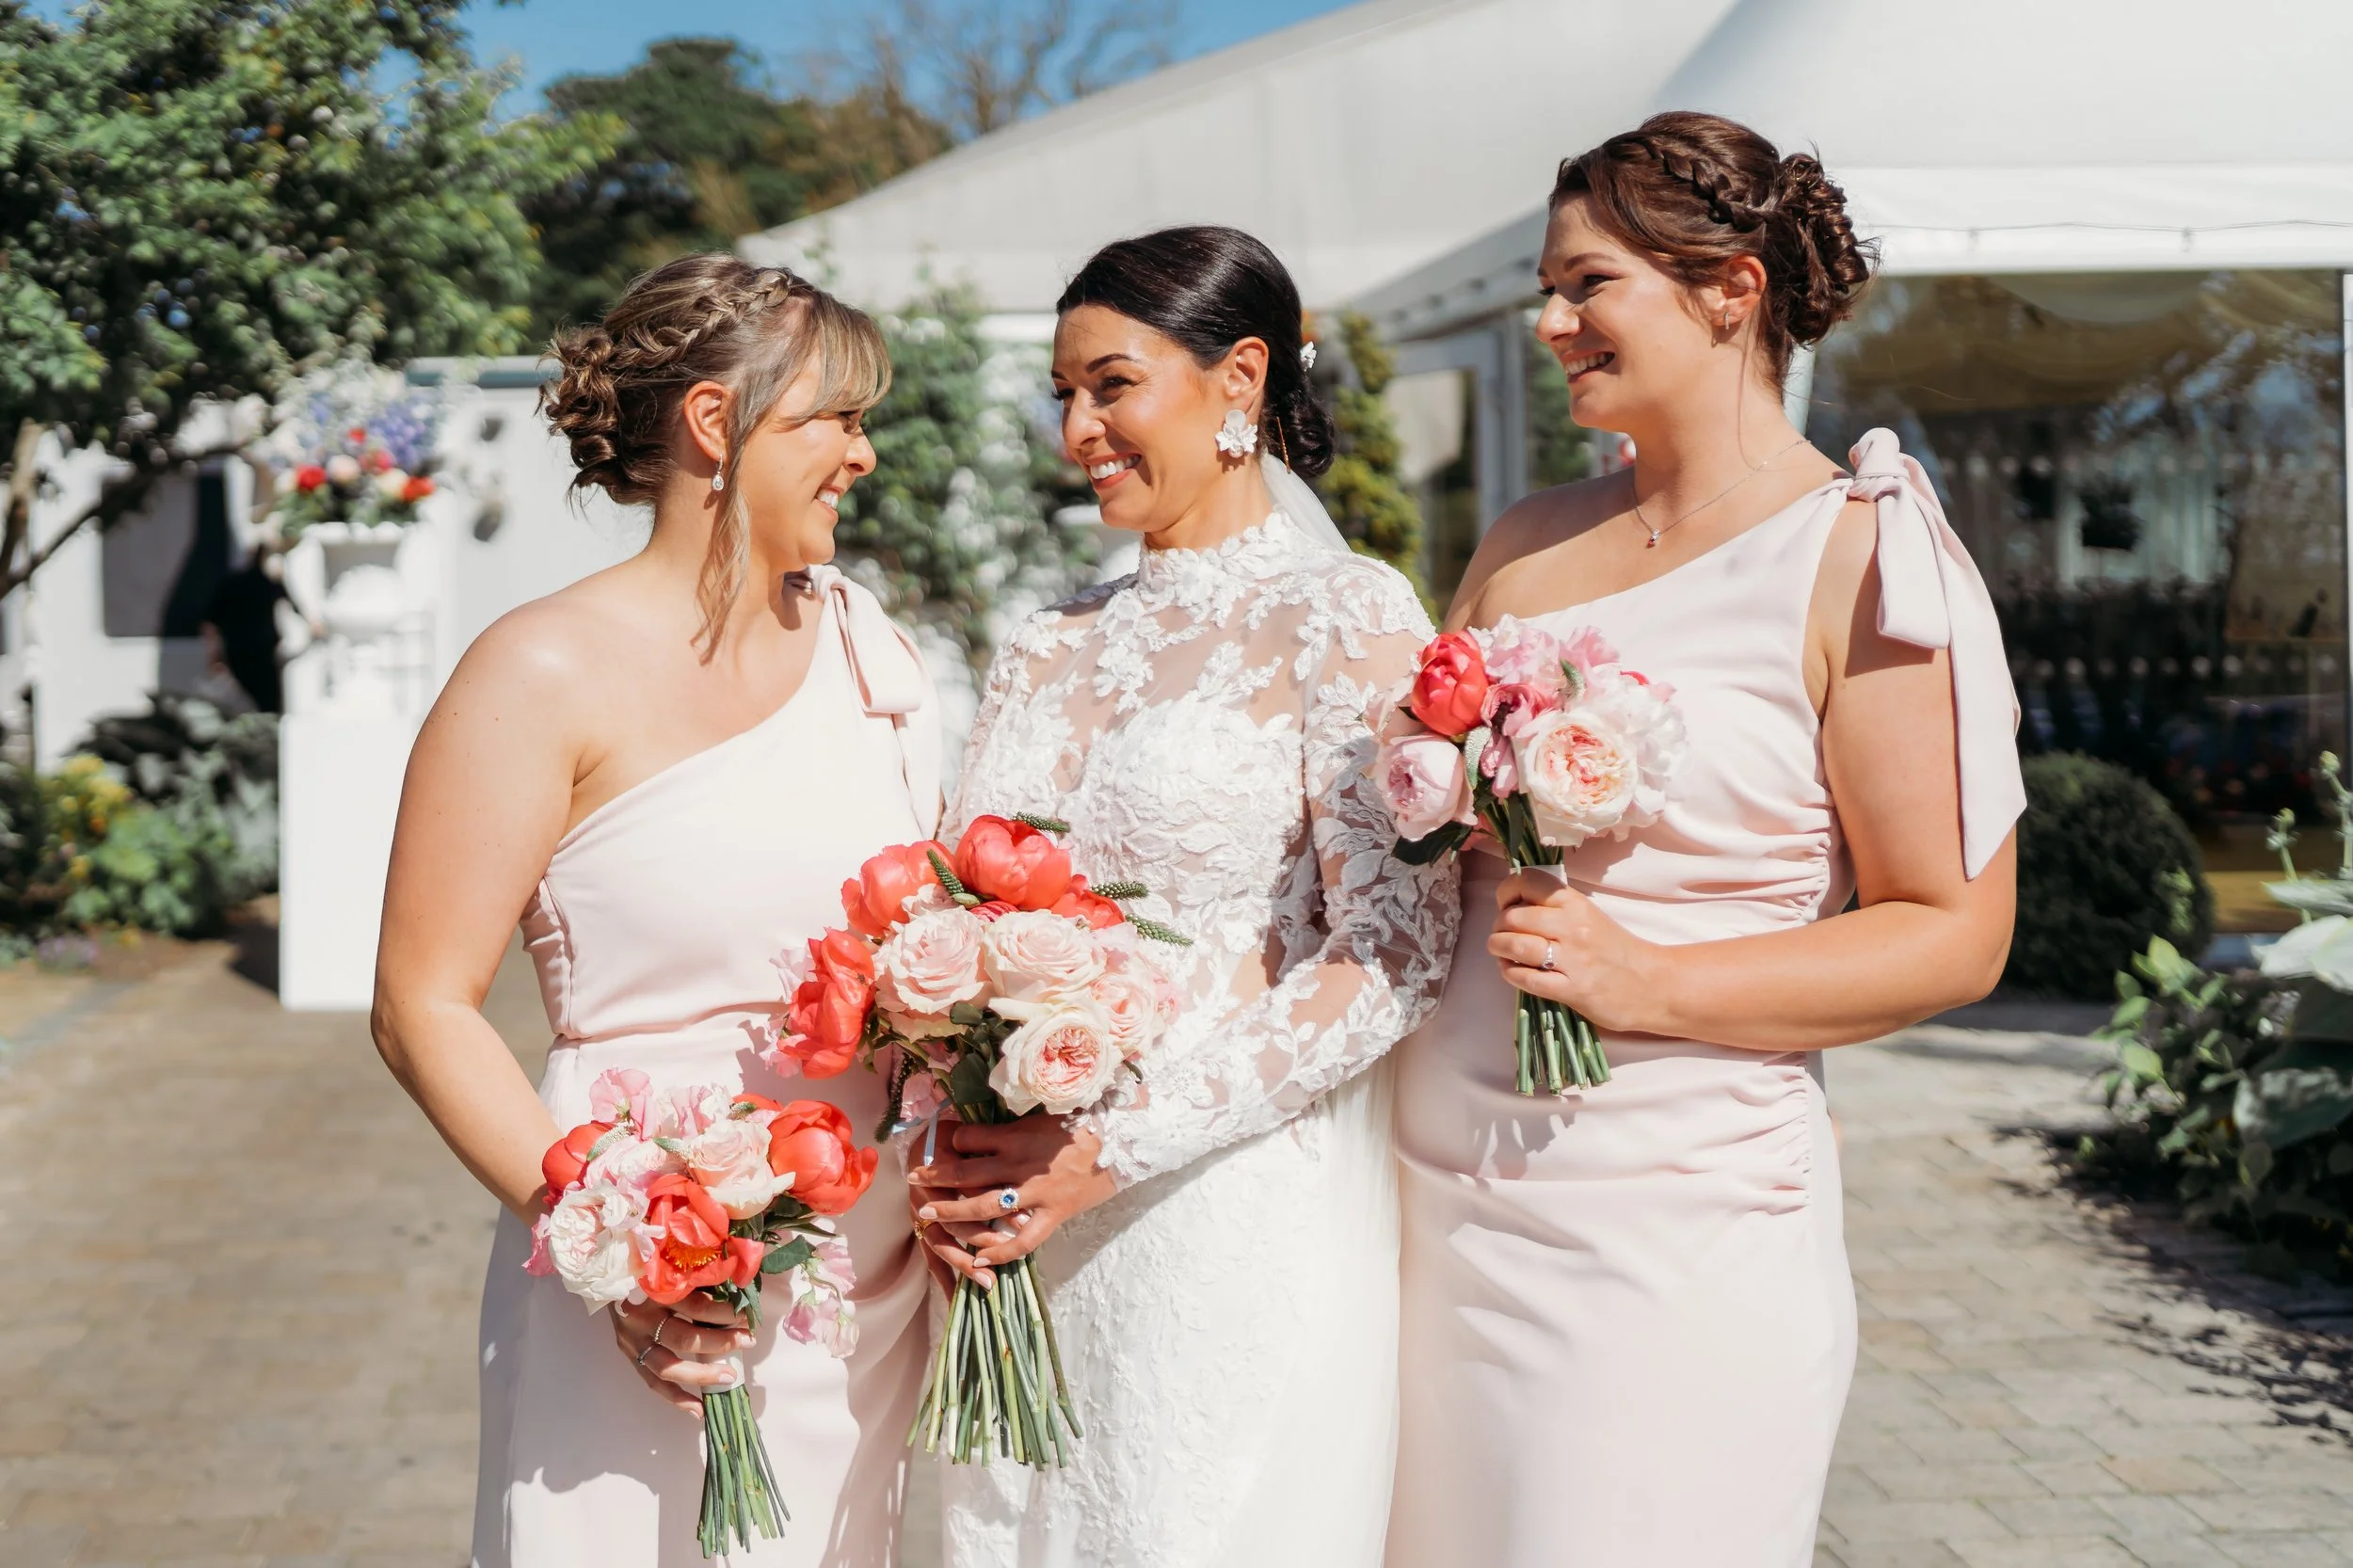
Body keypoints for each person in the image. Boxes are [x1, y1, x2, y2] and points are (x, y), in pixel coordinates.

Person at [1385, 112, 2023, 1568]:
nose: (1549, 322)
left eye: (1586, 283)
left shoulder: (1859, 553)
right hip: (1438, 1230)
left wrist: (1647, 981)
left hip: (1672, 1244)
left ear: (1731, 288)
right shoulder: (1522, 542)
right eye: (1548, 289)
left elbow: (1954, 928)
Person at [372, 254, 937, 1568]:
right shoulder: (540, 669)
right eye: (833, 418)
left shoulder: (873, 651)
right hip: (639, 1254)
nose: (862, 454)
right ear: (713, 425)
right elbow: (422, 1006)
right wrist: (612, 1246)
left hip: (866, 1278)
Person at [908, 226, 1459, 1567]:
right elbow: (956, 907)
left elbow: (1389, 953)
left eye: (1110, 385)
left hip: (1217, 1209)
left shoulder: (1344, 612)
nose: (1075, 429)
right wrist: (951, 1124)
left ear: (1240, 379)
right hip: (1009, 1212)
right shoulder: (1048, 637)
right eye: (1063, 395)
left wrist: (1113, 1148)